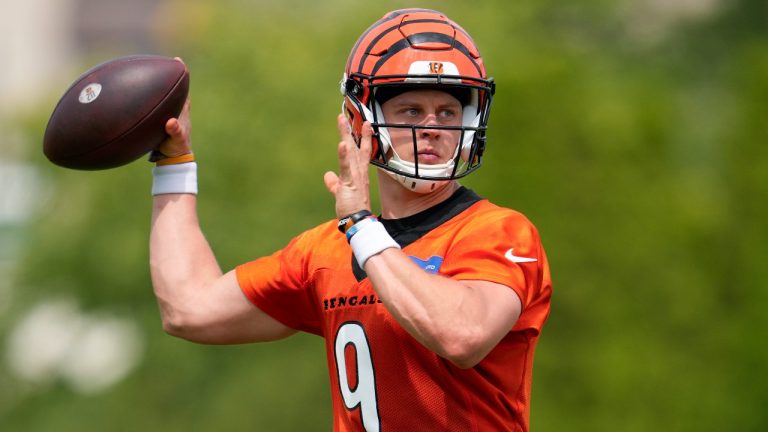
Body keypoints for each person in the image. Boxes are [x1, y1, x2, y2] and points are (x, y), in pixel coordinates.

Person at [149, 8, 552, 432]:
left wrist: (361, 226)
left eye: (448, 112)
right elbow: (188, 309)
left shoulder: (500, 231)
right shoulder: (325, 252)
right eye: (412, 111)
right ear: (363, 120)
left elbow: (463, 334)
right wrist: (174, 163)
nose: (432, 126)